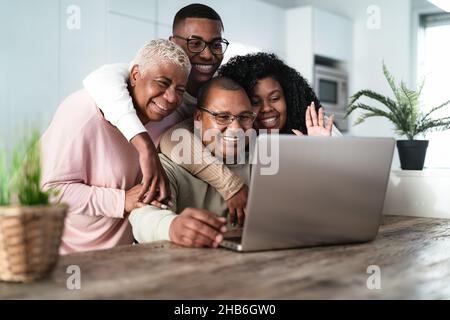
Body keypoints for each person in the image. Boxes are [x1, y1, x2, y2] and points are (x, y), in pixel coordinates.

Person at [40, 40, 191, 254]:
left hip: (122, 256)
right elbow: (51, 191)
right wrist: (121, 200)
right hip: (66, 256)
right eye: (162, 83)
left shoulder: (169, 118)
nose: (171, 97)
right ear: (136, 75)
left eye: (180, 90)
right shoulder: (81, 114)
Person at [159, 52, 342, 226]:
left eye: (275, 98)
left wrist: (320, 156)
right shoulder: (248, 146)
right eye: (255, 102)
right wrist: (230, 185)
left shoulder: (315, 126)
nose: (266, 109)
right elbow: (172, 139)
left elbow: (332, 202)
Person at [82, 4, 228, 209]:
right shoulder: (146, 78)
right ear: (173, 43)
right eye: (195, 43)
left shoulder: (223, 91)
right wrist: (145, 146)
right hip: (142, 211)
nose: (207, 55)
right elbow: (99, 78)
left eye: (216, 44)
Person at [129, 77, 255, 248]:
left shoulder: (261, 162)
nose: (236, 129)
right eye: (222, 117)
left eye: (244, 117)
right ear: (198, 118)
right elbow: (142, 216)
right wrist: (171, 227)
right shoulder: (168, 166)